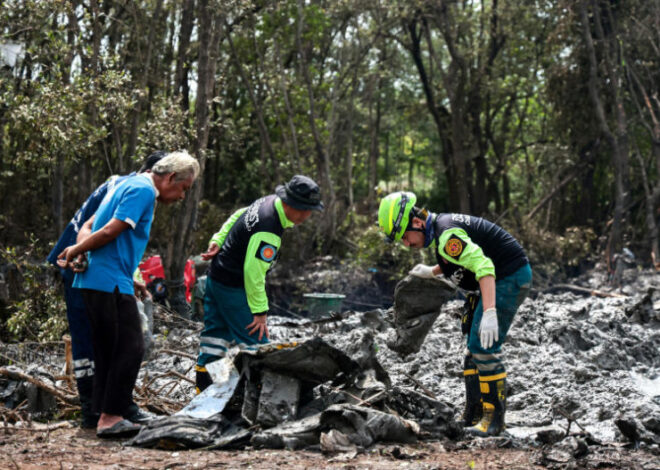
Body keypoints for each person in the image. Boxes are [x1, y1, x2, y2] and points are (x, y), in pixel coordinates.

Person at [57, 151, 200, 438]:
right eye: (183, 188)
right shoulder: (144, 190)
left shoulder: (125, 183)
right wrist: (76, 251)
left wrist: (87, 254)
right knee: (131, 346)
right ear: (171, 177)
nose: (182, 196)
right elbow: (110, 230)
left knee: (109, 349)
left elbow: (89, 226)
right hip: (107, 281)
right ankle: (111, 417)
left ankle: (104, 414)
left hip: (101, 279)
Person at [378, 191, 532, 437]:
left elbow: (484, 266)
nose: (406, 244)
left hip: (507, 278)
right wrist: (433, 271)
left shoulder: (447, 234)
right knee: (471, 349)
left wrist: (490, 311)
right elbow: (459, 260)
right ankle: (472, 415)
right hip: (490, 280)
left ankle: (494, 423)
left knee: (483, 347)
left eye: (405, 237)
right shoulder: (441, 230)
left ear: (417, 222)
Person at [47, 151, 166, 428]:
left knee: (111, 340)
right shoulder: (133, 187)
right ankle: (95, 407)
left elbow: (116, 243)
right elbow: (92, 228)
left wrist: (130, 276)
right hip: (80, 264)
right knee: (99, 339)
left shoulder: (127, 185)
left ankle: (111, 407)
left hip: (93, 263)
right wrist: (80, 254)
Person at [195, 175, 323, 393]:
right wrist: (260, 311)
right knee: (257, 345)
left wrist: (218, 238)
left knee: (215, 339)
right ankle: (255, 396)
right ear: (289, 203)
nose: (306, 215)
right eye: (303, 209)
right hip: (234, 287)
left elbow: (238, 215)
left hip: (216, 277)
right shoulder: (269, 229)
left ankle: (206, 392)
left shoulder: (268, 201)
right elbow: (253, 274)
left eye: (309, 209)